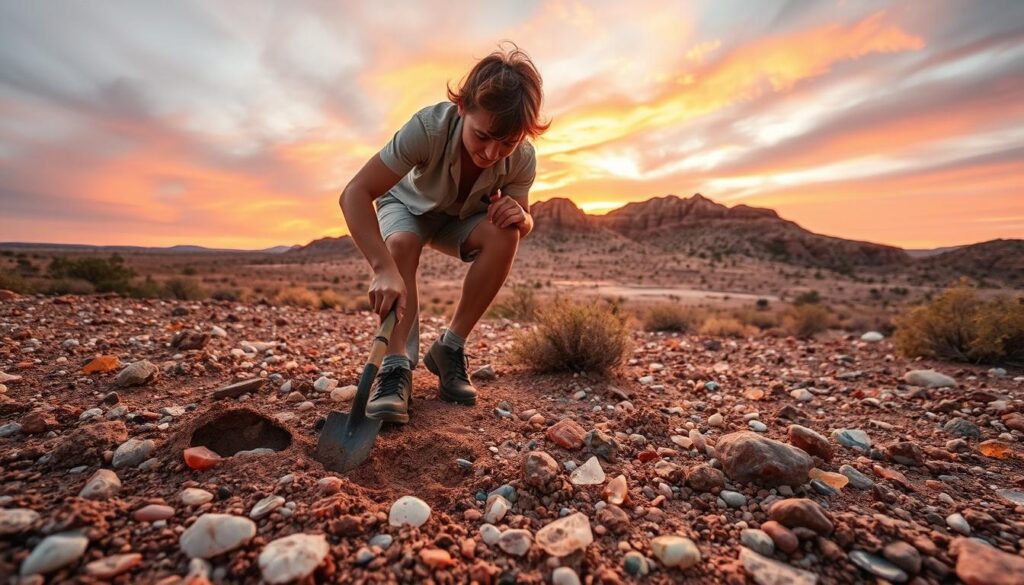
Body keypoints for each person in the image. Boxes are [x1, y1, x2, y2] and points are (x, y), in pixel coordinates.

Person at [339, 43, 549, 424]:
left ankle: (449, 348)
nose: (491, 153)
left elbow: (526, 219)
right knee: (402, 245)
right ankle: (395, 366)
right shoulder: (427, 129)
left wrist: (521, 217)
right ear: (463, 107)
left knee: (507, 235)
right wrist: (383, 268)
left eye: (507, 143)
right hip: (407, 207)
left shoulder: (522, 158)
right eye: (482, 136)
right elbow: (354, 193)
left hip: (457, 220)